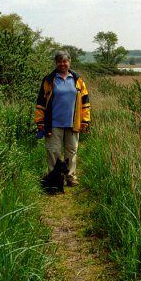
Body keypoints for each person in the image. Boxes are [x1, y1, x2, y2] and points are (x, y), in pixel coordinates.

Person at [34, 50, 90, 186]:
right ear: (56, 63)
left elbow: (85, 102)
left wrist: (85, 120)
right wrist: (40, 121)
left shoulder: (78, 79)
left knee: (72, 150)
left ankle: (70, 177)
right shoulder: (49, 80)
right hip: (53, 123)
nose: (62, 64)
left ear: (69, 62)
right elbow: (41, 102)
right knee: (53, 151)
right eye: (59, 61)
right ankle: (55, 178)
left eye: (65, 61)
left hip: (73, 122)